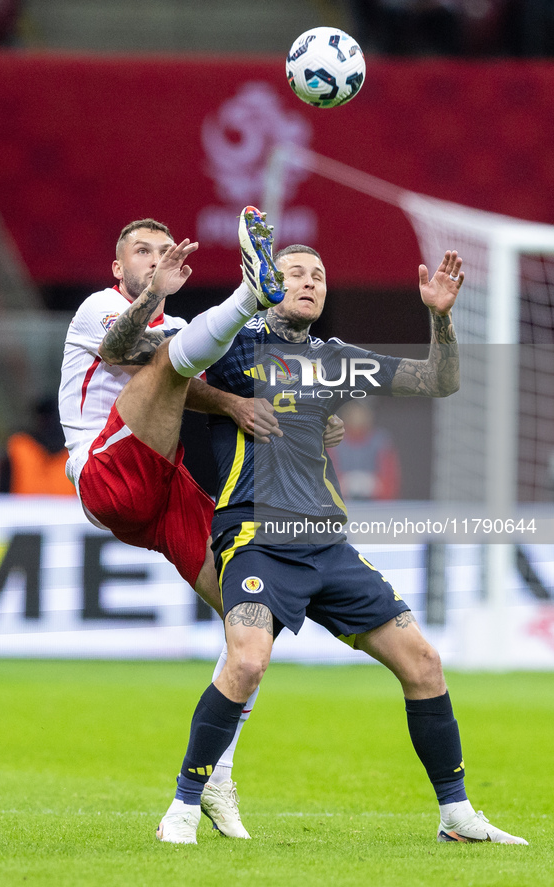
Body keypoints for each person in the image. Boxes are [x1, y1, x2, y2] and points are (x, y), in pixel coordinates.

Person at [157, 211, 528, 846]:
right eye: (294, 272)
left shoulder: (333, 360)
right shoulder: (237, 341)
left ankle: (457, 815)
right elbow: (166, 377)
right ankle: (185, 806)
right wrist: (230, 402)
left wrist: (438, 315)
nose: (309, 282)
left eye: (319, 275)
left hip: (327, 545)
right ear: (269, 280)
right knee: (246, 662)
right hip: (255, 537)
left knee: (425, 664)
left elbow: (438, 381)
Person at [58, 212, 344, 840]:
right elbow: (125, 353)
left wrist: (297, 413)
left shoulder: (186, 330)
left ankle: (215, 775)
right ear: (118, 267)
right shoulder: (100, 307)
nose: (154, 259)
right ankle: (251, 292)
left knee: (251, 619)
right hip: (106, 475)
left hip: (164, 483)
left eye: (164, 251)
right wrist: (184, 296)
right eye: (141, 252)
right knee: (168, 358)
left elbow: (206, 383)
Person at [0, 395, 75, 495]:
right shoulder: (20, 446)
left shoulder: (75, 451)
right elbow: (1, 495)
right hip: (21, 509)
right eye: (46, 419)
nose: (51, 425)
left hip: (68, 510)